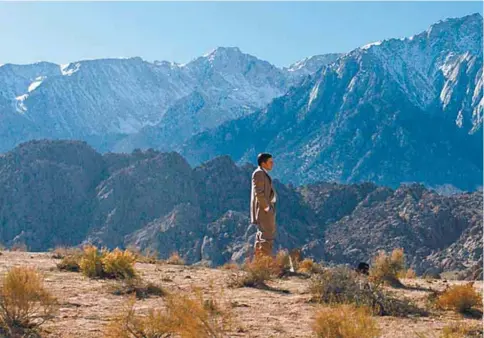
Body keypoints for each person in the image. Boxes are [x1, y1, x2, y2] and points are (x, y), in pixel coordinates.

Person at [250, 153, 277, 258]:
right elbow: (259, 193)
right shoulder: (259, 174)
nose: (272, 164)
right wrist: (267, 208)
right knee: (267, 236)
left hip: (264, 210)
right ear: (263, 163)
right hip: (263, 211)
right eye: (270, 162)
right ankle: (265, 263)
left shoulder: (262, 173)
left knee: (261, 235)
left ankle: (259, 262)